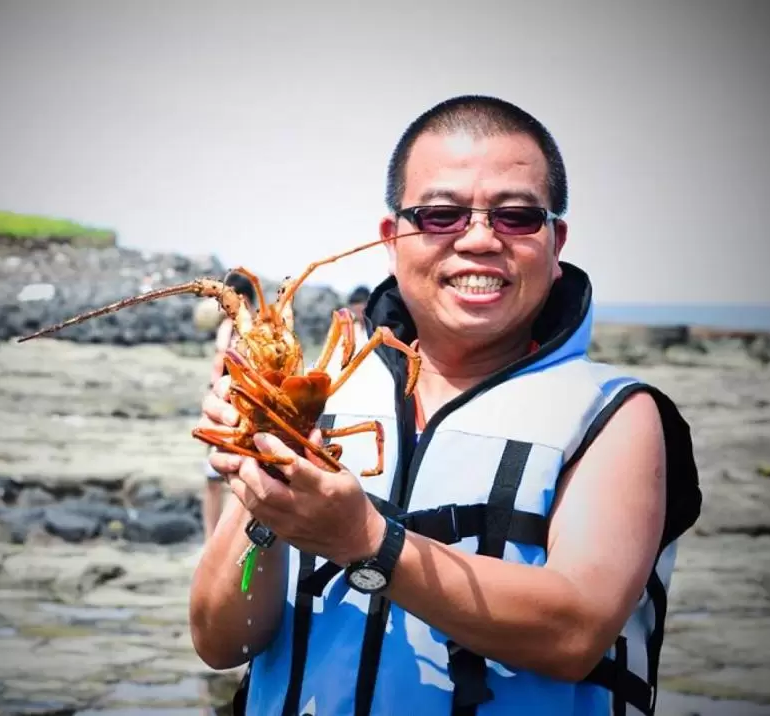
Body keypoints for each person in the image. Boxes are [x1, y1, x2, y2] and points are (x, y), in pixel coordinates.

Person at [188, 95, 702, 715]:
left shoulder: (616, 417)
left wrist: (367, 541)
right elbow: (220, 641)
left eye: (516, 217)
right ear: (392, 238)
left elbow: (574, 634)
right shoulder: (327, 393)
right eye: (440, 215)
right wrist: (259, 487)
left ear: (555, 241)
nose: (480, 239)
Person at [200, 270, 257, 541]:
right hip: (226, 406)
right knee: (216, 476)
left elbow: (219, 363)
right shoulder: (228, 326)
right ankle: (214, 537)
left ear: (241, 297)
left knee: (232, 478)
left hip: (240, 409)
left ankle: (222, 538)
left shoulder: (249, 329)